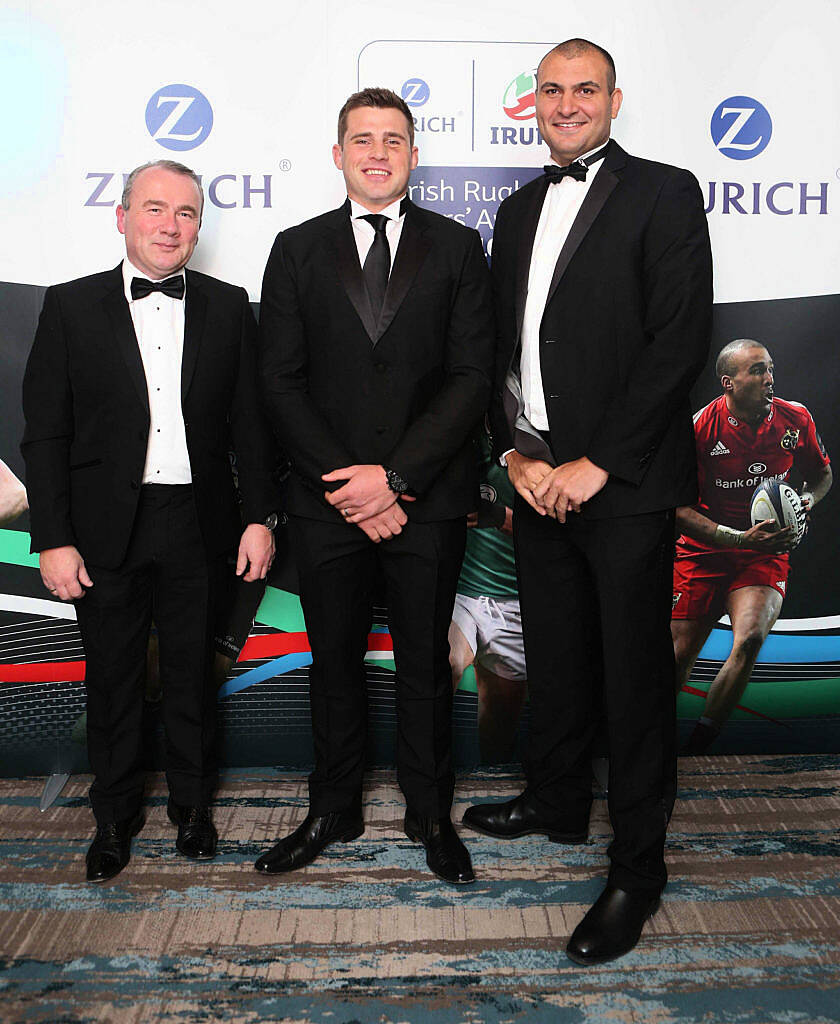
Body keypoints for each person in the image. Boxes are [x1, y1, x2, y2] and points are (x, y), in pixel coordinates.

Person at [462, 39, 713, 963]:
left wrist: (599, 462)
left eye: (586, 89)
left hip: (625, 484)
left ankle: (636, 873)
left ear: (615, 100)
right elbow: (496, 349)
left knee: (635, 680)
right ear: (533, 102)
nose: (567, 103)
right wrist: (513, 455)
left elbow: (679, 339)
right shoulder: (521, 205)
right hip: (535, 479)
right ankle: (558, 800)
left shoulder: (665, 190)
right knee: (557, 656)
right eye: (553, 90)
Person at [256, 88, 495, 886]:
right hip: (325, 503)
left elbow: (470, 378)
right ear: (338, 154)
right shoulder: (294, 248)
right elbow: (280, 381)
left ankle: (429, 813)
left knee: (427, 662)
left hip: (426, 499)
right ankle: (334, 808)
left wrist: (395, 481)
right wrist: (349, 485)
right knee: (333, 661)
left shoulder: (459, 249)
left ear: (414, 155)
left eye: (394, 138)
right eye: (362, 138)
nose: (378, 151)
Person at [21, 159, 278, 883]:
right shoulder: (69, 307)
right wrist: (53, 537)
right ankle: (114, 817)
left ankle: (193, 807)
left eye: (187, 213)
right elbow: (45, 434)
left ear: (201, 223)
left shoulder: (230, 307)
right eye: (156, 209)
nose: (171, 226)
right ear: (123, 215)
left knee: (195, 673)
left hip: (200, 521)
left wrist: (260, 517)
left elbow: (252, 430)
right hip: (104, 530)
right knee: (113, 678)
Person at [672, 339, 832, 754]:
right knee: (676, 658)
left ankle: (700, 747)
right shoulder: (698, 430)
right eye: (758, 371)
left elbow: (821, 477)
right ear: (729, 382)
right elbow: (678, 511)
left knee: (749, 638)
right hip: (703, 549)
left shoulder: (795, 418)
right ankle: (647, 746)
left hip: (765, 552)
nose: (769, 379)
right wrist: (737, 536)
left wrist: (805, 501)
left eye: (770, 369)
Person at [449, 425, 527, 763]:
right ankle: (423, 782)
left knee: (499, 727)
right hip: (460, 594)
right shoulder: (448, 433)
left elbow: (559, 532)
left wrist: (495, 516)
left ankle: (492, 794)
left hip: (517, 600)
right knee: (444, 665)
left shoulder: (532, 437)